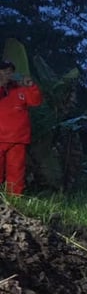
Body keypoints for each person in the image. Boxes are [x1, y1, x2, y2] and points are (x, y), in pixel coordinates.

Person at [0, 60, 42, 195]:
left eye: (10, 71)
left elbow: (35, 101)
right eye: (4, 71)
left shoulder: (20, 88)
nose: (8, 74)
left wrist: (31, 86)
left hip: (18, 138)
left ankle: (13, 200)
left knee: (16, 170)